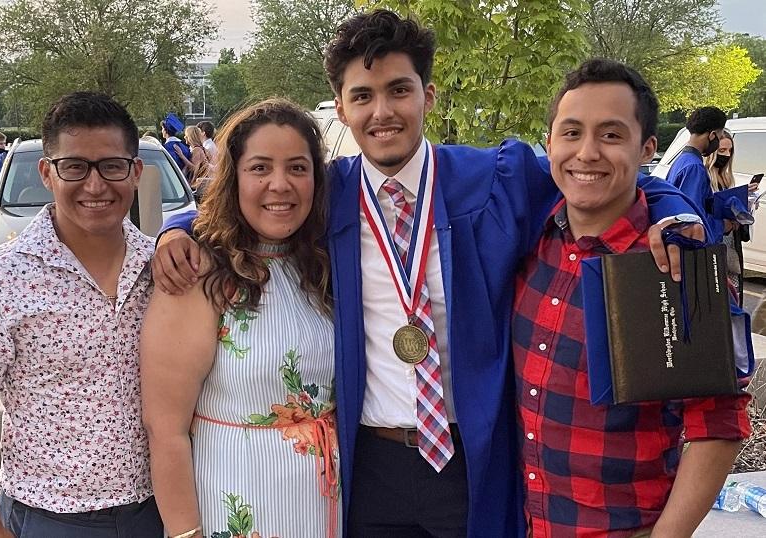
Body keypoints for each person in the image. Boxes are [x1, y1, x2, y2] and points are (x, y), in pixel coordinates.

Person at [153, 10, 706, 537]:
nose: (382, 111)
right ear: (342, 110)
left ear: (428, 97)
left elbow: (591, 176)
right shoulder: (328, 193)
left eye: (399, 90)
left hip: (470, 459)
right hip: (369, 463)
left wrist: (674, 208)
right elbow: (242, 205)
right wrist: (176, 229)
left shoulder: (494, 179)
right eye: (362, 96)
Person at [513, 58, 751, 538]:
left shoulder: (678, 265)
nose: (587, 152)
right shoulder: (529, 239)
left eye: (611, 135)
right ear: (549, 144)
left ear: (647, 148)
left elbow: (718, 427)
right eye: (572, 132)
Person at [0, 91, 163, 537]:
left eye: (112, 166)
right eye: (75, 167)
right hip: (49, 516)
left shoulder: (164, 269)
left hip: (159, 510)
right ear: (47, 172)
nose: (95, 185)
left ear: (135, 172)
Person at [140, 98, 337, 538]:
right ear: (234, 177)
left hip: (323, 501)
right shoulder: (197, 274)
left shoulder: (321, 266)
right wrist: (184, 533)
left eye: (298, 168)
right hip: (237, 494)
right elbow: (165, 429)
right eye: (260, 168)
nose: (280, 184)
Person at [667, 106, 728, 242]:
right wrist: (724, 225)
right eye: (719, 136)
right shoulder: (694, 168)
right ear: (712, 135)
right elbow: (692, 220)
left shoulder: (681, 161)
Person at [705, 130, 751, 301]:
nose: (726, 155)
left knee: (734, 295)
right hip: (715, 246)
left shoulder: (726, 178)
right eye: (722, 150)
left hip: (730, 244)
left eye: (729, 151)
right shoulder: (705, 178)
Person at [174, 125, 211, 189]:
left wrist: (182, 156)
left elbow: (194, 168)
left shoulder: (197, 150)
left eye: (186, 135)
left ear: (191, 137)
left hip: (196, 185)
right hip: (203, 184)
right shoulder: (204, 149)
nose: (184, 137)